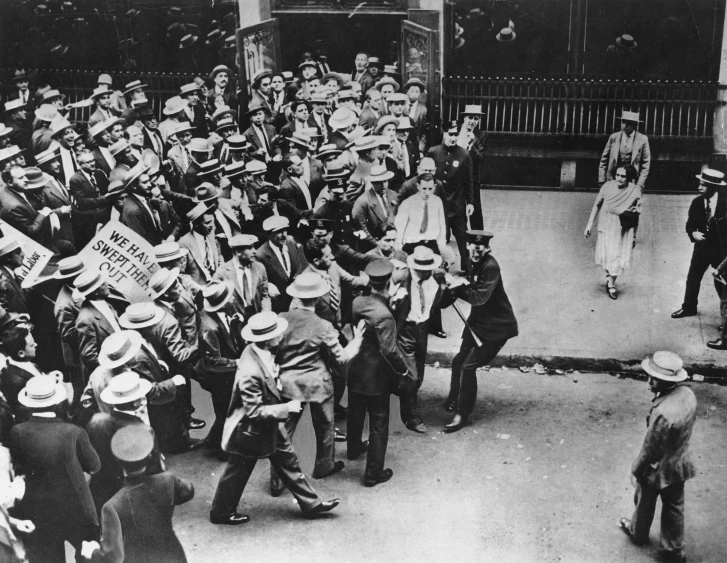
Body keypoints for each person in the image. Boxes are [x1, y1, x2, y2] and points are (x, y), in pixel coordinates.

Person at [209, 311, 340, 524]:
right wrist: (286, 408)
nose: (283, 333)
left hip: (266, 426)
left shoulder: (254, 351)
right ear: (268, 339)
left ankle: (311, 505)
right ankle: (221, 512)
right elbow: (253, 411)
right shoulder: (251, 372)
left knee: (288, 461)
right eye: (278, 332)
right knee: (237, 471)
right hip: (251, 429)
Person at [270, 273, 366, 494]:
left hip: (288, 383)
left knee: (283, 433)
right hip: (317, 384)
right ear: (318, 298)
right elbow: (341, 358)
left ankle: (277, 481)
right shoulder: (323, 326)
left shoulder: (281, 318)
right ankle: (324, 465)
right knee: (325, 425)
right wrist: (356, 342)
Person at [10, 376, 101, 563]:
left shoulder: (17, 432)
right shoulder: (74, 431)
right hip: (75, 506)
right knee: (87, 554)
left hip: (38, 508)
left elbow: (19, 467)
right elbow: (95, 466)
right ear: (56, 402)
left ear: (29, 404)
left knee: (48, 557)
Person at [619, 351, 696, 563]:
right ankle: (672, 551)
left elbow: (650, 449)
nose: (649, 382)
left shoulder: (663, 412)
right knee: (674, 508)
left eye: (655, 379)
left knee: (644, 498)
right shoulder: (688, 395)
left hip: (658, 467)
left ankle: (638, 532)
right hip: (680, 462)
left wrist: (636, 469)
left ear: (667, 382)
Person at [81, 425, 194, 563]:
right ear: (149, 456)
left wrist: (92, 552)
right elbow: (188, 491)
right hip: (172, 556)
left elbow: (112, 557)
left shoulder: (112, 507)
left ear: (118, 461)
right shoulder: (167, 480)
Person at [444, 231, 518, 433]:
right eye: (473, 249)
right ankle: (453, 398)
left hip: (497, 327)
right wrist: (449, 281)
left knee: (468, 366)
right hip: (477, 323)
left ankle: (462, 413)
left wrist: (457, 287)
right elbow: (463, 281)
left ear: (487, 249)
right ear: (468, 247)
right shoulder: (470, 260)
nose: (476, 253)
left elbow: (479, 298)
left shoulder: (491, 266)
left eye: (480, 249)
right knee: (458, 361)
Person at [349, 260, 410, 486]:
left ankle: (353, 448)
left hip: (356, 368)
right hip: (376, 375)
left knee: (356, 411)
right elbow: (389, 350)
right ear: (388, 282)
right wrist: (403, 371)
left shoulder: (357, 302)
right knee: (379, 422)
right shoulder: (385, 315)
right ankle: (373, 474)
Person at [86, 371, 165, 514]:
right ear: (135, 402)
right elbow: (154, 472)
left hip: (101, 492)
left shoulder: (95, 421)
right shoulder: (144, 431)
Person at [394, 246, 451, 433]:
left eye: (428, 269)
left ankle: (407, 396)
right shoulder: (401, 278)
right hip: (405, 329)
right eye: (421, 270)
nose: (425, 273)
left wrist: (448, 286)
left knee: (418, 374)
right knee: (412, 376)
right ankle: (409, 416)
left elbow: (442, 301)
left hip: (422, 328)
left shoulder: (436, 277)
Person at [672, 168, 727, 320]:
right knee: (693, 278)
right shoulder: (697, 202)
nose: (699, 188)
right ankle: (688, 308)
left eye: (703, 185)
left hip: (720, 251)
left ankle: (726, 318)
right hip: (701, 249)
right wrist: (693, 234)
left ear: (713, 187)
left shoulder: (725, 204)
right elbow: (689, 224)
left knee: (721, 283)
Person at [584, 165, 641, 300]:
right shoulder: (607, 186)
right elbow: (597, 204)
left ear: (629, 178)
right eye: (618, 175)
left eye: (623, 176)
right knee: (607, 253)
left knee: (617, 254)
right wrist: (589, 224)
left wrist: (634, 235)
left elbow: (636, 214)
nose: (619, 179)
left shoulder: (635, 190)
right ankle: (610, 277)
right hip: (607, 222)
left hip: (622, 226)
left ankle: (611, 284)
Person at [427, 121, 475, 270]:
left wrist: (470, 202)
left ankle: (468, 270)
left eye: (456, 134)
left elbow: (469, 180)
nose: (453, 138)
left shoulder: (464, 154)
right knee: (439, 239)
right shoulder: (433, 152)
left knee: (463, 239)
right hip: (439, 205)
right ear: (444, 133)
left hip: (457, 204)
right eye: (450, 134)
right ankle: (439, 271)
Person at [256, 215, 308, 311]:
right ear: (269, 235)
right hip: (279, 304)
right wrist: (269, 285)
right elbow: (258, 281)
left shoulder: (291, 242)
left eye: (285, 230)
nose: (284, 234)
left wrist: (299, 275)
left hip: (298, 298)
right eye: (279, 232)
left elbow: (303, 264)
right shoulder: (260, 255)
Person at [394, 173, 447, 256]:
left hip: (431, 243)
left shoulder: (438, 201)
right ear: (418, 186)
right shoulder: (407, 203)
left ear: (435, 187)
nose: (427, 192)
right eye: (424, 188)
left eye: (430, 189)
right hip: (412, 245)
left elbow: (442, 224)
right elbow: (399, 228)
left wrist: (442, 245)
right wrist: (399, 247)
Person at [599, 110, 651, 190]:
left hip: (632, 180)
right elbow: (604, 159)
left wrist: (640, 184)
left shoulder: (642, 139)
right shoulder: (614, 137)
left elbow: (646, 164)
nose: (625, 125)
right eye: (623, 122)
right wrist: (601, 180)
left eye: (629, 123)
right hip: (613, 178)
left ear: (635, 125)